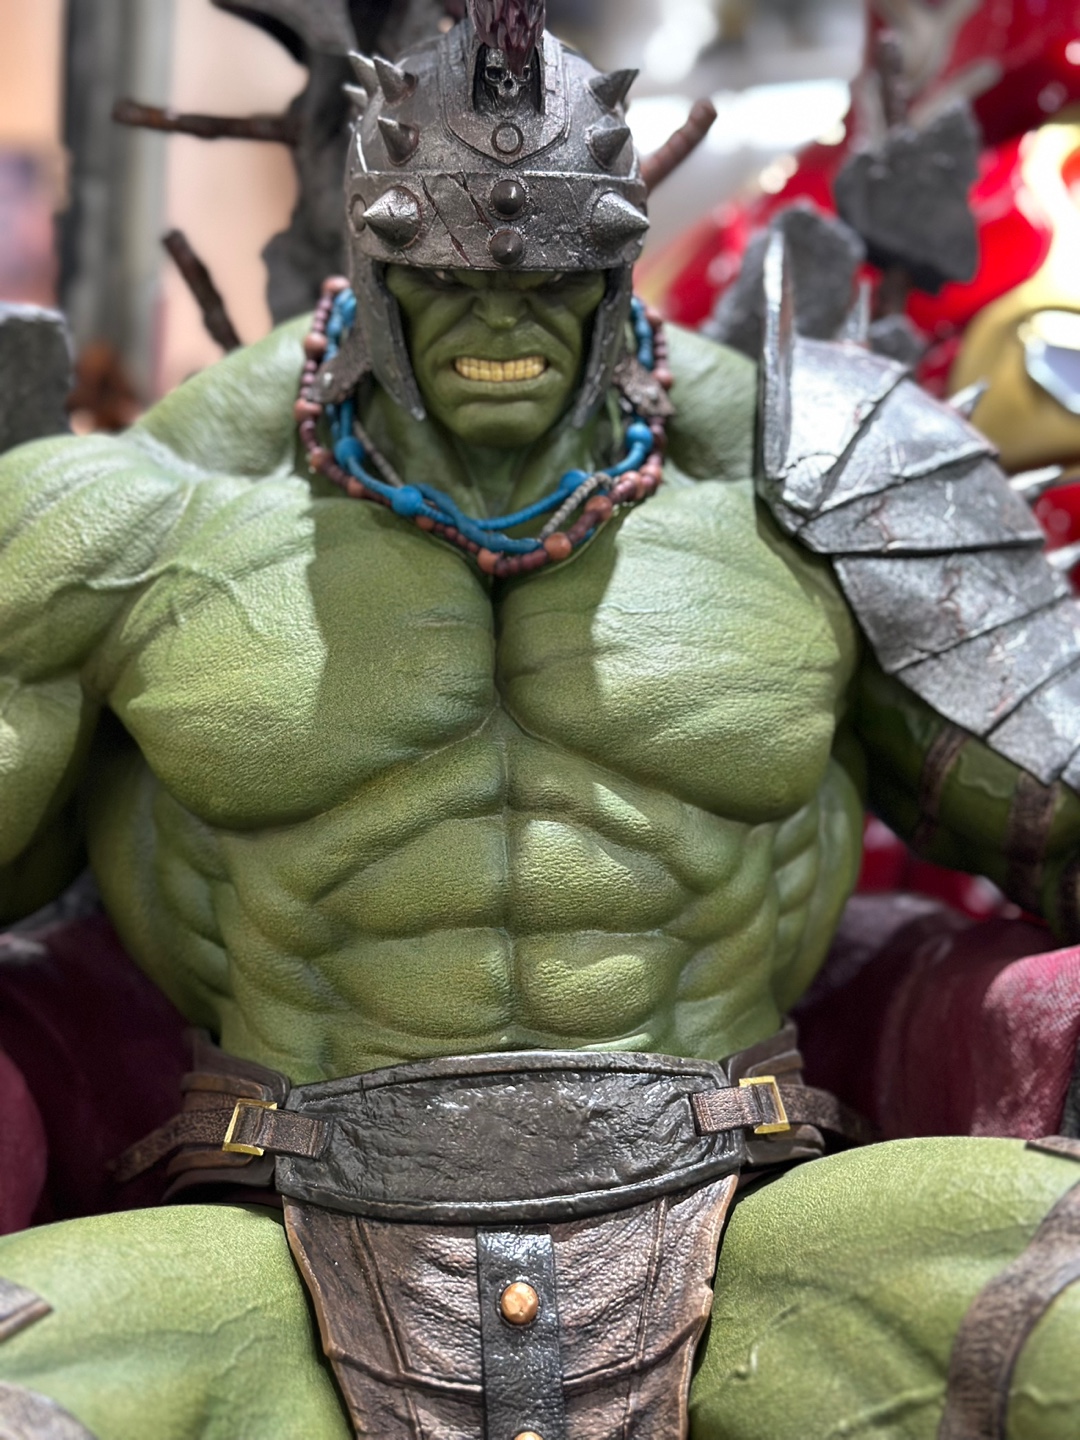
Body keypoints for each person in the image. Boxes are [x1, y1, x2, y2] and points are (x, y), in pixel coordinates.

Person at [0, 3, 1078, 1437]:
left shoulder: (823, 476)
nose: (500, 324)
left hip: (754, 1233)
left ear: (620, 259)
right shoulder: (134, 518)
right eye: (445, 284)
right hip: (275, 1262)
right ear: (368, 260)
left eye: (553, 283)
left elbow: (1057, 812)